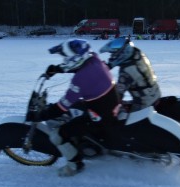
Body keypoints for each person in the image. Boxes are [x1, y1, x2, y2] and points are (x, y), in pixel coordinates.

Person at [26, 39, 120, 177]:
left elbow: (61, 107)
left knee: (58, 135)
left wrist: (40, 116)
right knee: (73, 111)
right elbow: (78, 65)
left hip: (101, 116)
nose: (64, 60)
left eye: (65, 58)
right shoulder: (94, 58)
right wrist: (58, 69)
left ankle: (75, 165)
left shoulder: (80, 80)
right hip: (108, 102)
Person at [99, 37, 161, 112]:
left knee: (121, 119)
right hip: (154, 94)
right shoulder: (137, 54)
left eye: (114, 54)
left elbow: (117, 95)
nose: (112, 57)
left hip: (145, 103)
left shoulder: (127, 72)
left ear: (123, 53)